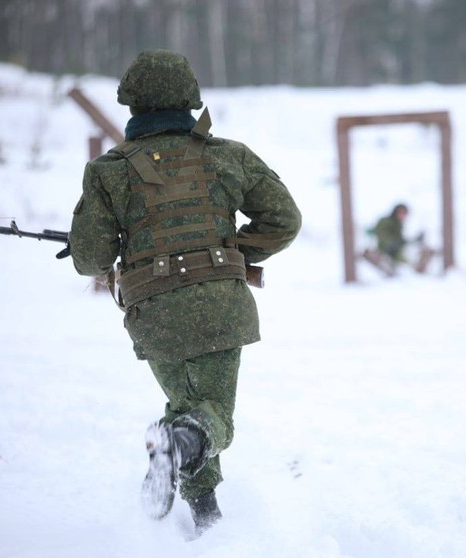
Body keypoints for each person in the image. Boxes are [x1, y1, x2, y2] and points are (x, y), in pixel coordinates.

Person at [67, 50, 301, 536]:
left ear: (132, 104)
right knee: (212, 420)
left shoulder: (109, 171)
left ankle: (207, 521)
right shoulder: (227, 155)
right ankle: (181, 453)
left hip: (154, 314)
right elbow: (285, 220)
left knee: (186, 406)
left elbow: (89, 259)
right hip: (220, 308)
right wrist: (229, 251)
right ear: (190, 100)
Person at [363, 203, 431, 276]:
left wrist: (415, 240)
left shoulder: (398, 224)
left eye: (405, 213)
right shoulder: (385, 221)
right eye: (401, 213)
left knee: (407, 263)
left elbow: (400, 240)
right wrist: (390, 244)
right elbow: (381, 234)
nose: (403, 216)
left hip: (396, 253)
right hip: (385, 251)